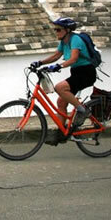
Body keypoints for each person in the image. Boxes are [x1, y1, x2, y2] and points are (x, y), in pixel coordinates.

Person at [30, 17, 97, 145]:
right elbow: (56, 56)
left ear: (67, 30)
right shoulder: (63, 41)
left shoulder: (75, 40)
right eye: (55, 29)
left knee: (60, 88)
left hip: (86, 73)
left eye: (58, 29)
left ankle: (83, 110)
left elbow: (73, 58)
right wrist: (39, 62)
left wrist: (59, 66)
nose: (56, 32)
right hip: (76, 73)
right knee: (61, 101)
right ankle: (60, 134)